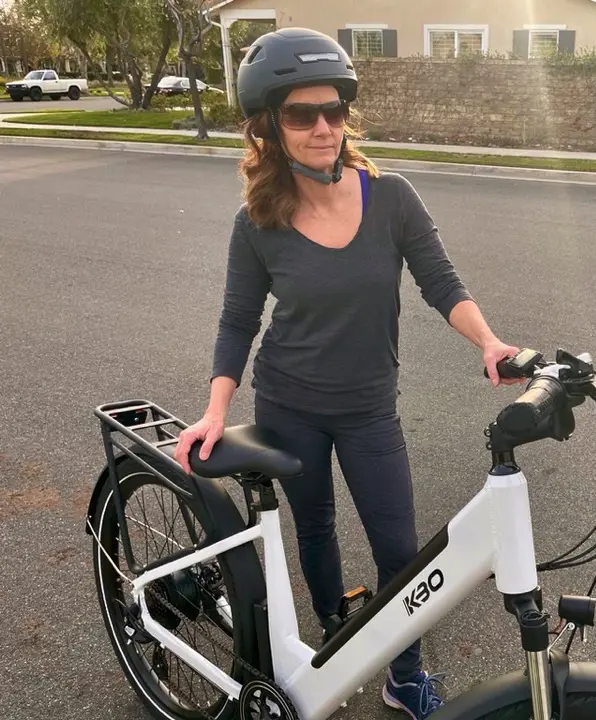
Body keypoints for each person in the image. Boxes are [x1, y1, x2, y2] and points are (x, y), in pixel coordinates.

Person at [172, 27, 523, 719]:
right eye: (302, 115)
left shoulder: (390, 198)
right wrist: (216, 409)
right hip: (288, 405)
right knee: (317, 530)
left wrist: (488, 341)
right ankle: (338, 634)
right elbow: (238, 321)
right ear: (270, 127)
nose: (323, 127)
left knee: (401, 549)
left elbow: (441, 282)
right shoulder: (259, 221)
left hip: (369, 408)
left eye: (334, 111)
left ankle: (405, 671)